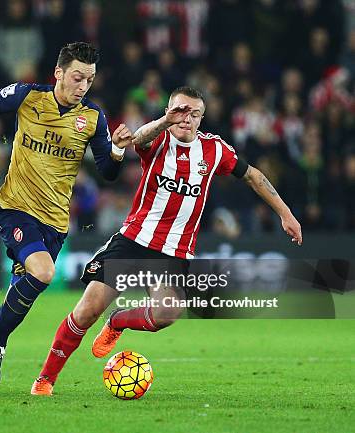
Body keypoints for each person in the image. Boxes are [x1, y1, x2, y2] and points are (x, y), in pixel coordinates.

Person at [31, 86, 303, 396]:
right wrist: (165, 121)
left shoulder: (214, 151)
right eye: (180, 111)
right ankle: (45, 380)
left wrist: (286, 214)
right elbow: (138, 137)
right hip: (134, 240)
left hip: (173, 252)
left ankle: (117, 321)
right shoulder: (158, 139)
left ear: (201, 118)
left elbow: (254, 176)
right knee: (86, 311)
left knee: (167, 313)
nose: (186, 118)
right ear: (169, 111)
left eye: (194, 113)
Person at [0, 42, 132, 386]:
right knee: (44, 272)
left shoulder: (93, 118)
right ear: (59, 73)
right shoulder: (27, 96)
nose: (83, 87)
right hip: (15, 208)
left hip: (56, 221)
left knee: (26, 287)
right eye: (77, 78)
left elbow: (107, 171)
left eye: (89, 81)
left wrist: (119, 150)